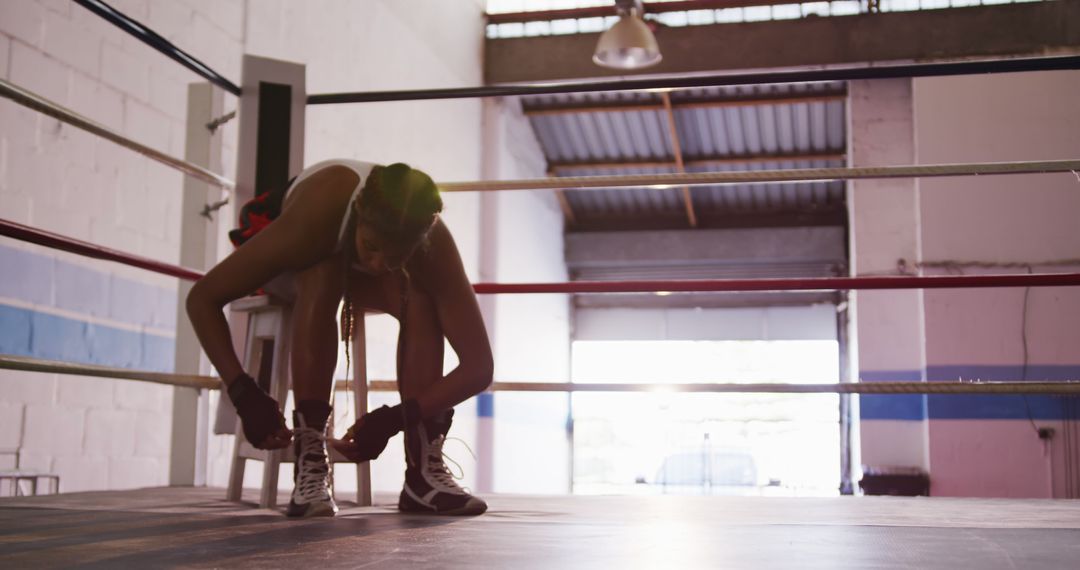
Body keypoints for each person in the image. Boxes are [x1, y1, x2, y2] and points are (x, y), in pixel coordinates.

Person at [186, 160, 493, 518]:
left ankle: (422, 475)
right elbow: (202, 299)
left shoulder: (430, 238)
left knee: (420, 297)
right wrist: (243, 393)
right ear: (361, 213)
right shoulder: (318, 214)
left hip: (349, 266)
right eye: (372, 246)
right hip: (291, 249)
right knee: (323, 272)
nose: (379, 264)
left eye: (395, 256)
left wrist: (395, 419)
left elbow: (479, 368)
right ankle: (311, 457)